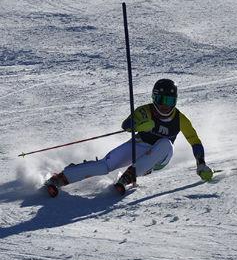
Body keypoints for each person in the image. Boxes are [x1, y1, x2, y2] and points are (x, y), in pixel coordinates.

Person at [42, 79, 214, 197]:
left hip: (160, 157)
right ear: (154, 98)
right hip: (139, 145)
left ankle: (131, 174)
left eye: (169, 101)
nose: (164, 106)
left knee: (165, 143)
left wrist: (201, 164)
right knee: (105, 165)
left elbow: (194, 140)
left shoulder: (179, 118)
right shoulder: (145, 111)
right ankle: (61, 178)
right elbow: (126, 125)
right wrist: (138, 125)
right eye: (161, 100)